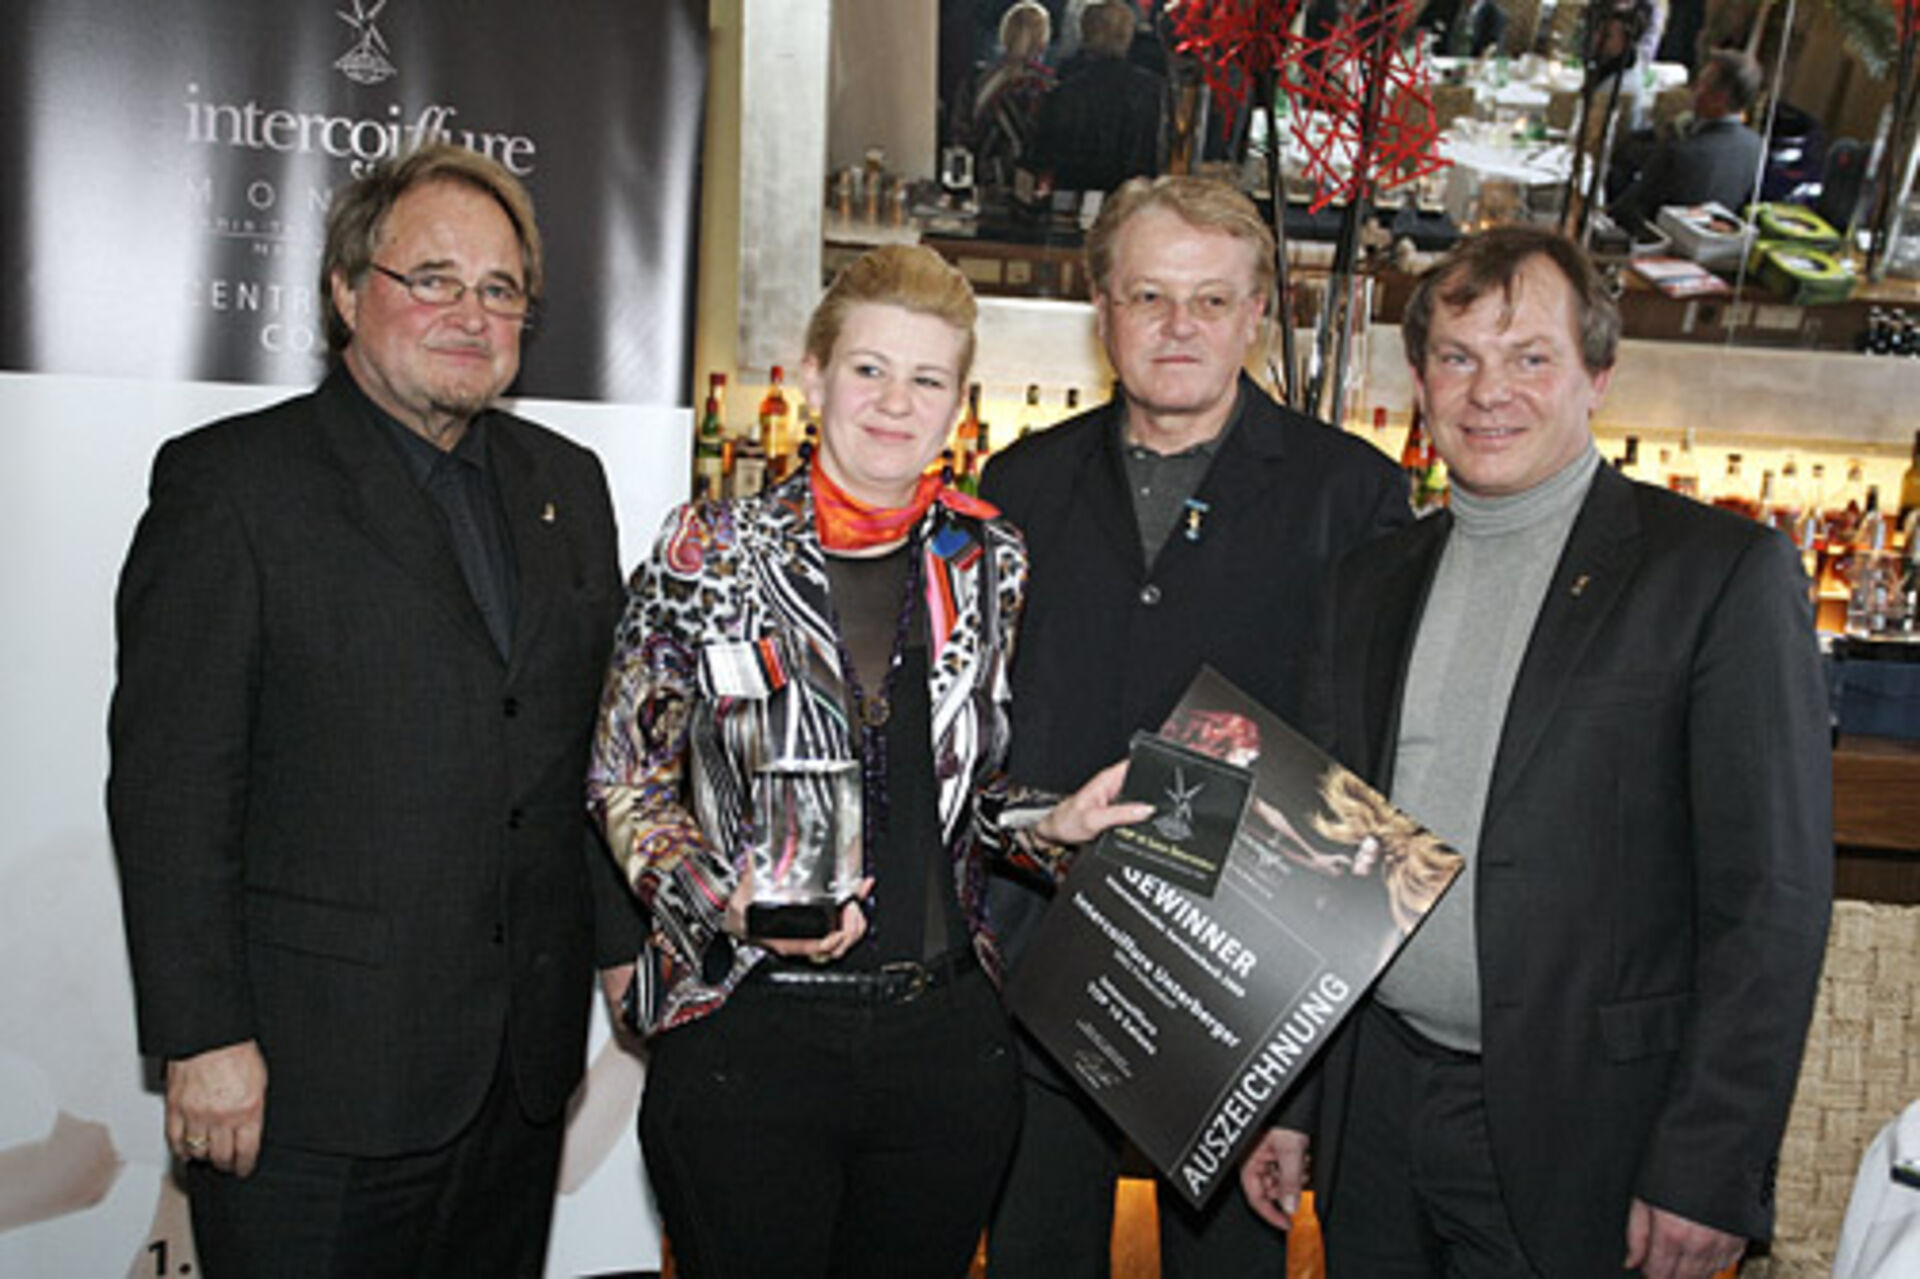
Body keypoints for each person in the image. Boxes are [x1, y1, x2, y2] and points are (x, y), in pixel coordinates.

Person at [1240, 225, 1832, 1278]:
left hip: (1590, 1130)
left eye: (1530, 358)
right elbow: (1329, 865)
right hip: (1377, 1108)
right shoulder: (1368, 584)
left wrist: (1709, 1163)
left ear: (1598, 375)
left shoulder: (1717, 575)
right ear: (1420, 381)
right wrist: (1293, 1098)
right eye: (1458, 357)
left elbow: (1770, 898)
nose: (1489, 392)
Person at [107, 142, 645, 1275]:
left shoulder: (568, 485)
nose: (471, 315)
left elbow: (581, 750)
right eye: (433, 279)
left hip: (515, 1076)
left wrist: (620, 947)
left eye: (500, 289)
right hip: (311, 1086)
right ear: (347, 292)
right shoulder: (231, 487)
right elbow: (171, 788)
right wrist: (203, 1035)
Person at [588, 243, 1146, 1279]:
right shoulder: (707, 550)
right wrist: (717, 898)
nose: (896, 403)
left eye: (927, 379)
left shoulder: (988, 560)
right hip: (748, 1026)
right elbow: (628, 774)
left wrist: (1052, 823)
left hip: (944, 1041)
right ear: (814, 376)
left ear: (957, 405)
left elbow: (958, 797)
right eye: (869, 369)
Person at [979, 175, 1410, 1278]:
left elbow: (1367, 788)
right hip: (1044, 986)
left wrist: (1298, 1089)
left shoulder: (1353, 497)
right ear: (1103, 309)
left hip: (1244, 1005)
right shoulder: (1016, 484)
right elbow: (975, 740)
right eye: (1150, 296)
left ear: (1258, 313)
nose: (1180, 326)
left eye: (1212, 300)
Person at [1610, 48, 1765, 233]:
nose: (1694, 90)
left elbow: (1625, 210)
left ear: (1719, 98)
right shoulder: (1757, 146)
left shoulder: (1679, 153)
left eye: (1702, 84)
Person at [1027, 1, 1166, 195]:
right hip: (1134, 199)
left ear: (1085, 33)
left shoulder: (1064, 93)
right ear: (1128, 33)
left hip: (1072, 199)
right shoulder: (1155, 91)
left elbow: (1043, 159)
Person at [974, 1, 1057, 188]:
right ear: (1042, 41)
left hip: (979, 174)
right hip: (1028, 181)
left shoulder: (979, 79)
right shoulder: (1044, 85)